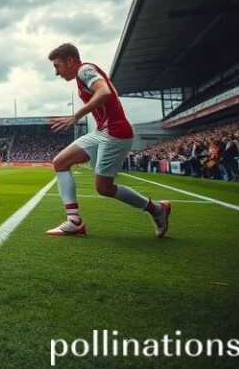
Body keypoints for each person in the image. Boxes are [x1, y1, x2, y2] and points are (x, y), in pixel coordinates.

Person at [47, 43, 170, 237]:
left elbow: (105, 92)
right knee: (60, 162)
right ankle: (74, 222)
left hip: (115, 133)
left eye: (57, 65)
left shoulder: (84, 70)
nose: (56, 72)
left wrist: (75, 116)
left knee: (104, 188)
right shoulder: (87, 73)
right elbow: (109, 91)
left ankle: (157, 209)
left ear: (70, 61)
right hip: (103, 131)